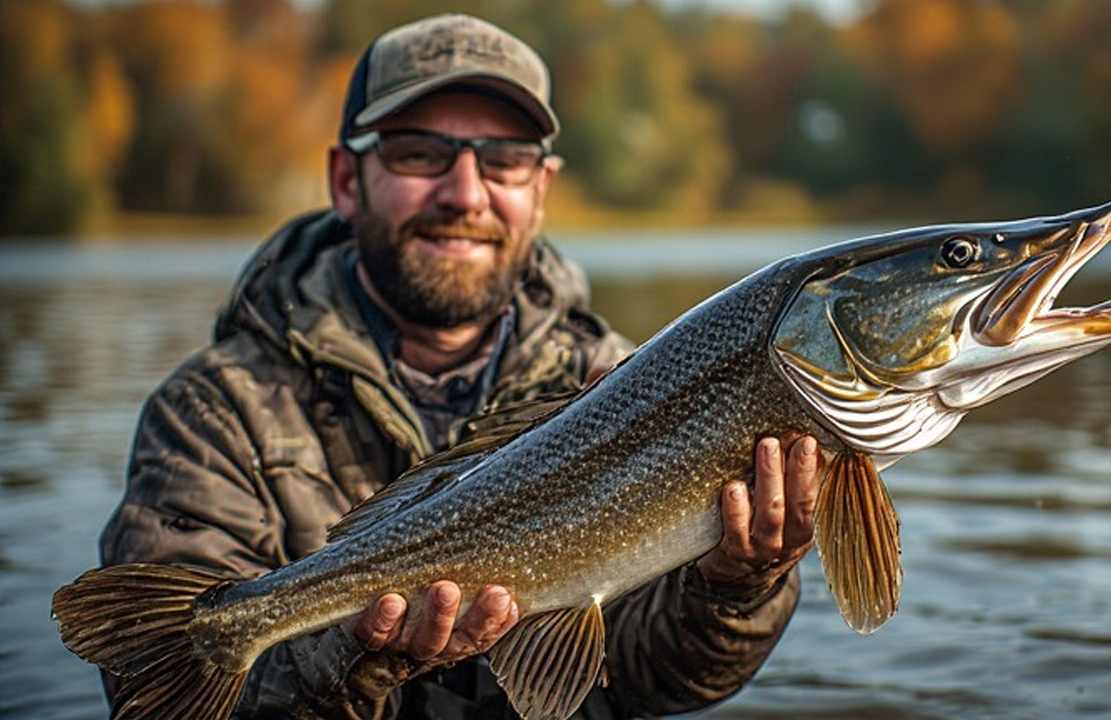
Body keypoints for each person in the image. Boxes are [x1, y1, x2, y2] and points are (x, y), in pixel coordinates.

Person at [99, 13, 820, 719]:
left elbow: (655, 682)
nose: (465, 193)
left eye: (504, 158)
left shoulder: (616, 381)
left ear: (540, 190)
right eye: (419, 153)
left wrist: (739, 586)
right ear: (347, 181)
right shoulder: (214, 410)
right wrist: (355, 649)